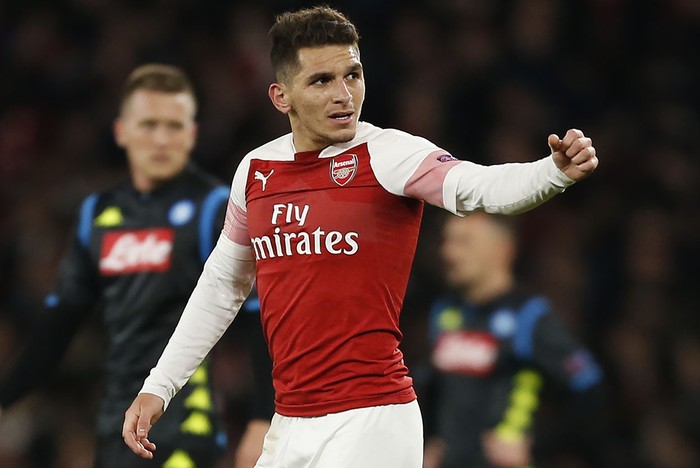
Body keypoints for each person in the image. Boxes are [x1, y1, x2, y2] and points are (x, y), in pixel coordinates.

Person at [122, 6, 599, 468]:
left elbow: (482, 190)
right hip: (289, 424)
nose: (343, 95)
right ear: (280, 96)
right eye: (321, 81)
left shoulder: (389, 156)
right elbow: (223, 285)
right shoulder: (256, 171)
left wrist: (552, 171)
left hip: (371, 419)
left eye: (352, 74)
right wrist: (159, 385)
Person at [0, 63, 273, 468]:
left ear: (192, 135)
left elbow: (259, 317)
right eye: (148, 125)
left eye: (174, 126)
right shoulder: (98, 214)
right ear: (121, 132)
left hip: (189, 420)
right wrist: (6, 400)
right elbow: (60, 323)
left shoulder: (215, 208)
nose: (161, 139)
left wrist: (262, 418)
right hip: (117, 421)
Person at [421, 212, 605, 468]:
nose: (449, 253)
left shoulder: (528, 316)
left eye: (464, 242)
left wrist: (539, 447)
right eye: (448, 241)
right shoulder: (444, 311)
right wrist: (429, 440)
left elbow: (589, 387)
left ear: (502, 251)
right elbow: (432, 384)